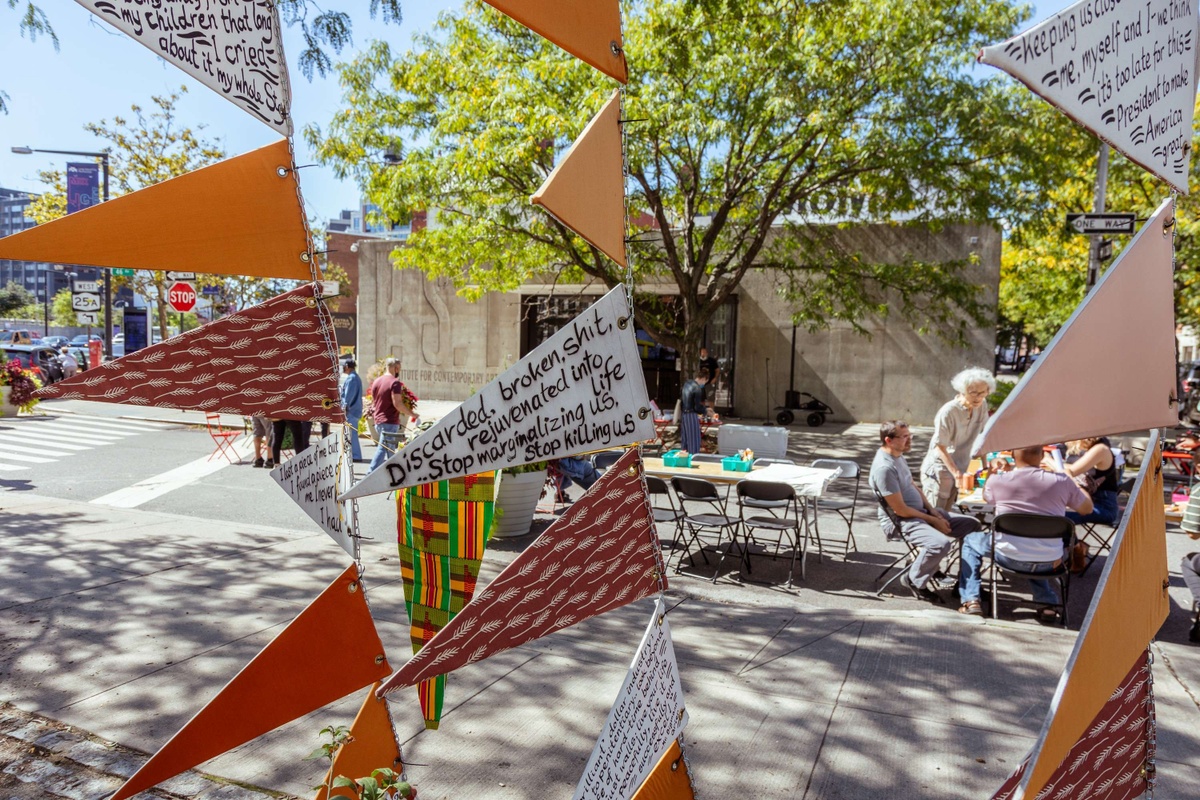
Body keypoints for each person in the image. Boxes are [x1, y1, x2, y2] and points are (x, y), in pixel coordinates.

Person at [956, 445, 1093, 620]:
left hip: (1008, 557)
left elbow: (987, 496)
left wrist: (992, 470)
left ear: (1012, 455)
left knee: (970, 540)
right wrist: (1069, 478)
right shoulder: (1061, 482)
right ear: (1042, 456)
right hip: (1050, 561)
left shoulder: (999, 481)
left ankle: (971, 600)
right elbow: (1087, 508)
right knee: (1035, 545)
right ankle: (1048, 604)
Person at [869, 420, 980, 602]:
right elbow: (901, 510)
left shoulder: (898, 455)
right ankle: (914, 580)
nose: (909, 439)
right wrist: (933, 520)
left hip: (920, 514)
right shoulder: (884, 468)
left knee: (972, 525)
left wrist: (934, 512)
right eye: (904, 436)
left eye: (909, 435)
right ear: (888, 440)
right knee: (941, 544)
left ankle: (966, 582)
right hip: (900, 521)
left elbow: (913, 485)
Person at [920, 367, 995, 511]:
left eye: (983, 393)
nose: (978, 397)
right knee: (935, 513)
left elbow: (982, 436)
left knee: (947, 514)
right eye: (973, 393)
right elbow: (939, 447)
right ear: (962, 391)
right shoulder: (948, 412)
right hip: (941, 467)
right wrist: (956, 474)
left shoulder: (982, 405)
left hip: (961, 465)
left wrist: (986, 467)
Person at [1049, 437, 1120, 525]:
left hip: (1103, 508)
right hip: (1083, 503)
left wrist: (1047, 460)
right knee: (1044, 511)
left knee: (1053, 516)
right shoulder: (1086, 448)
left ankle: (1068, 538)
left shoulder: (1101, 449)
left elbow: (1071, 472)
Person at [367, 356, 415, 473]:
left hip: (378, 421)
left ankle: (394, 474)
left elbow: (374, 402)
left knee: (390, 449)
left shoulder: (377, 382)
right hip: (389, 421)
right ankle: (369, 474)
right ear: (396, 368)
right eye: (399, 368)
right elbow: (397, 403)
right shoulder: (394, 383)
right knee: (384, 448)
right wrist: (412, 414)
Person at [678, 368, 709, 455]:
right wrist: (706, 410)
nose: (704, 384)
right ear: (703, 379)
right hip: (691, 415)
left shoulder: (687, 383)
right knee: (694, 440)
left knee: (685, 440)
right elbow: (697, 407)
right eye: (705, 382)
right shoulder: (697, 389)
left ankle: (683, 457)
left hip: (684, 414)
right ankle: (693, 458)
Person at [340, 357, 364, 462]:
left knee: (351, 434)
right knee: (351, 433)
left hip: (351, 411)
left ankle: (356, 455)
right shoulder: (355, 377)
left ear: (347, 367)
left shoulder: (352, 379)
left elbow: (348, 395)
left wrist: (344, 407)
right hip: (354, 410)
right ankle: (353, 454)